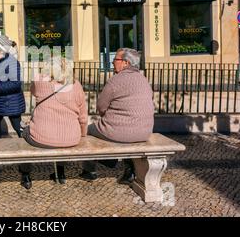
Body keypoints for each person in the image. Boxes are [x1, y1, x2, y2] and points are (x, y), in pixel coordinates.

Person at [82, 48, 154, 185]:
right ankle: (128, 170)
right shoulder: (144, 80)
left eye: (115, 59)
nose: (113, 63)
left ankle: (90, 170)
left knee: (88, 131)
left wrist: (107, 117)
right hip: (144, 132)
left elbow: (101, 107)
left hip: (118, 132)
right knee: (125, 134)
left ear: (125, 63)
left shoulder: (115, 81)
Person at [18, 58, 88, 189]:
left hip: (42, 137)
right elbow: (83, 117)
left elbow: (33, 90)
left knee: (24, 132)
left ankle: (26, 174)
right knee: (61, 135)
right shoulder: (76, 85)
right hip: (71, 138)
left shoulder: (40, 82)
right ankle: (60, 173)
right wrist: (83, 135)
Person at [0, 35, 25, 139]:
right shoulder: (0, 61)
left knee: (17, 125)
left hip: (11, 101)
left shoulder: (11, 62)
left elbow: (16, 84)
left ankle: (27, 141)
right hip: (4, 100)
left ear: (0, 49)